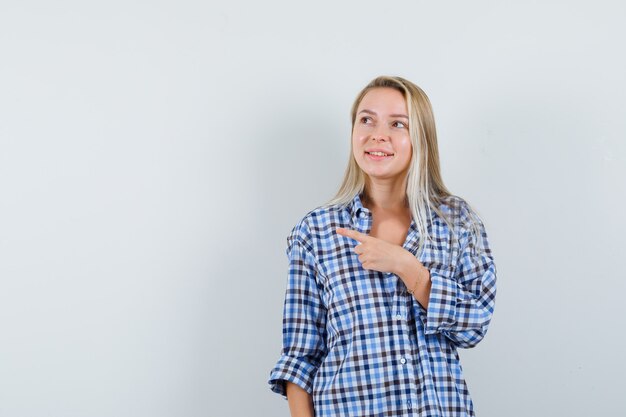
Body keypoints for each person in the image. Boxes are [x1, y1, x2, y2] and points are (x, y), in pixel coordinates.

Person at [268, 75, 497, 417]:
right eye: (367, 119)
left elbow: (475, 324)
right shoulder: (316, 231)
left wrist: (409, 269)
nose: (378, 134)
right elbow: (300, 357)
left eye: (397, 124)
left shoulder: (457, 222)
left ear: (420, 138)